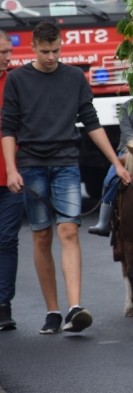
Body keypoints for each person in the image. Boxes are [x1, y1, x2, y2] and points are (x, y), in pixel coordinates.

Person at [1, 21, 131, 335]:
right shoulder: (18, 80)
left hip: (66, 164)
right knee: (41, 236)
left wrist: (117, 163)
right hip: (31, 165)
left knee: (69, 232)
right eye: (45, 52)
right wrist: (12, 169)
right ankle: (52, 311)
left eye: (56, 51)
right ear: (32, 47)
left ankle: (74, 307)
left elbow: (91, 122)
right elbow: (7, 128)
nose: (51, 57)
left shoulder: (74, 77)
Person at [88, 100, 133, 236]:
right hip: (128, 151)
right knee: (110, 178)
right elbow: (127, 133)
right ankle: (103, 222)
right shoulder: (125, 107)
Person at [0, 31, 24, 331]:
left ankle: (3, 305)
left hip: (12, 177)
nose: (8, 57)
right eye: (3, 52)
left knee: (6, 240)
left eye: (9, 51)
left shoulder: (18, 82)